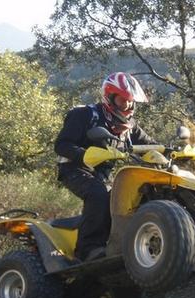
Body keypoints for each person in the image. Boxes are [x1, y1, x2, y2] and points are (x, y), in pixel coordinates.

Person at [54, 72, 157, 262]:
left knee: (127, 198)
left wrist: (172, 150)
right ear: (109, 97)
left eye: (130, 100)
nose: (127, 105)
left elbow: (150, 144)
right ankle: (87, 250)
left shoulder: (130, 126)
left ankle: (121, 243)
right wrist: (84, 155)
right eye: (122, 100)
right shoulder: (85, 114)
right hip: (74, 169)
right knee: (98, 195)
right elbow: (61, 145)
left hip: (101, 174)